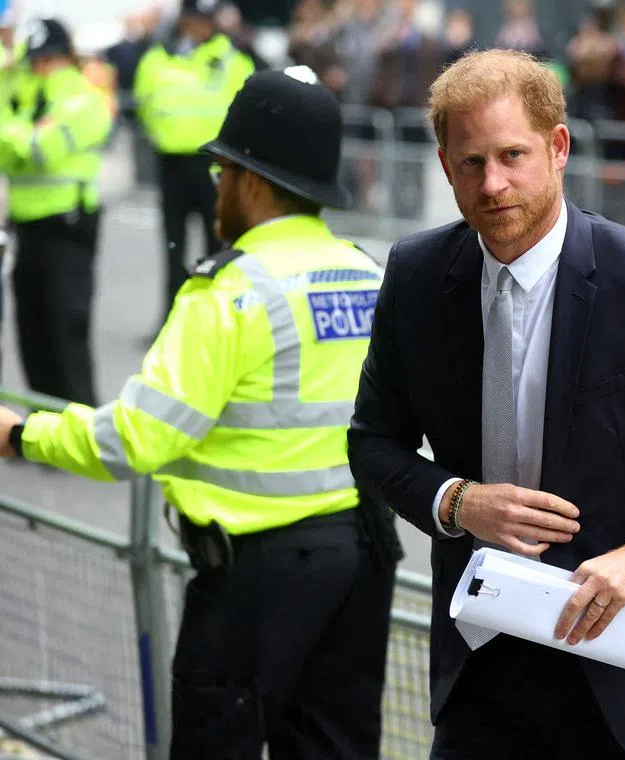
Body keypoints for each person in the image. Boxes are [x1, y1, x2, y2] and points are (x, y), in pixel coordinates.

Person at [346, 49, 625, 760]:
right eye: (470, 163)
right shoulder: (418, 272)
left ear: (558, 148)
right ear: (444, 164)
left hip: (622, 663)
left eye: (513, 155)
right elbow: (372, 442)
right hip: (482, 655)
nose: (493, 184)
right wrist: (456, 501)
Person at [0, 66, 400, 758]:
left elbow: (136, 437)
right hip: (363, 559)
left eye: (222, 172)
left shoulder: (230, 292)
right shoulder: (367, 273)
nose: (215, 188)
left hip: (258, 579)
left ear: (250, 180)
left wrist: (23, 434)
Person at [0, 18, 113, 407]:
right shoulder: (25, 92)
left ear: (65, 57)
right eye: (35, 60)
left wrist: (13, 132)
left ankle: (79, 417)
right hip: (27, 223)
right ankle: (42, 420)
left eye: (47, 59)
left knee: (66, 328)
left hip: (68, 224)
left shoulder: (83, 98)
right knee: (31, 327)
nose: (40, 67)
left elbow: (39, 150)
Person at [133, 0, 255, 331]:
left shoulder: (232, 59)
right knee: (173, 247)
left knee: (216, 246)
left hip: (214, 167)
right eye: (193, 19)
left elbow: (244, 110)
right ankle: (172, 319)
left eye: (205, 20)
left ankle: (213, 322)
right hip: (171, 162)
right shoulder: (158, 57)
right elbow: (145, 102)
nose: (198, 27)